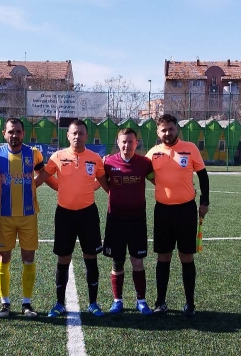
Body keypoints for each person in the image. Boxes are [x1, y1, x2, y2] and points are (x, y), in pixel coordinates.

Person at [37, 120, 111, 318]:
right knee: (63, 258)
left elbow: (105, 184)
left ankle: (93, 303)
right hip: (64, 215)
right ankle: (59, 303)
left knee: (91, 257)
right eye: (74, 133)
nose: (77, 136)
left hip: (88, 214)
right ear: (68, 136)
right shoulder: (58, 156)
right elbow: (42, 178)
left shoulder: (95, 158)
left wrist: (118, 198)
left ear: (87, 136)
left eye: (81, 133)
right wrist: (24, 188)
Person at [147, 114, 210, 317]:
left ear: (177, 129)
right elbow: (144, 172)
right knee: (163, 256)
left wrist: (204, 202)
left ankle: (190, 304)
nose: (167, 133)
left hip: (186, 211)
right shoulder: (153, 153)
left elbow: (203, 175)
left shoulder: (190, 148)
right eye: (163, 130)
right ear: (158, 132)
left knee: (186, 256)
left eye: (171, 129)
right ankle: (160, 302)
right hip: (163, 211)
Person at [0, 118, 48, 318]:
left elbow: (43, 173)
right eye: (11, 131)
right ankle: (5, 303)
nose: (15, 135)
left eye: (18, 132)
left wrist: (32, 185)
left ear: (24, 133)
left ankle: (26, 303)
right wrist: (1, 193)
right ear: (4, 133)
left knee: (28, 259)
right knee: (4, 257)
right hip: (5, 215)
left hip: (28, 215)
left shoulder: (34, 153)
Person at [102, 128, 154, 315]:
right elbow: (102, 182)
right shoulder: (108, 162)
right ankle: (118, 301)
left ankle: (141, 301)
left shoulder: (145, 164)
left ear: (136, 143)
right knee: (117, 262)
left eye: (130, 142)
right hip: (115, 219)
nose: (127, 145)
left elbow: (158, 181)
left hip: (137, 220)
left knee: (137, 262)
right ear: (118, 143)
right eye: (123, 141)